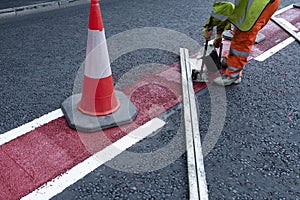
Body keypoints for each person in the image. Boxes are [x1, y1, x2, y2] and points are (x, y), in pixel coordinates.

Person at [202, 0, 280, 86]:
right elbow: (227, 10)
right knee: (240, 25)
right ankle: (230, 59)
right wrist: (218, 34)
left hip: (260, 6)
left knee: (243, 38)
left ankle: (233, 75)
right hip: (254, 3)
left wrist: (209, 26)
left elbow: (225, 7)